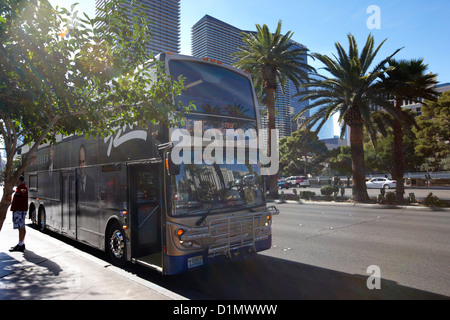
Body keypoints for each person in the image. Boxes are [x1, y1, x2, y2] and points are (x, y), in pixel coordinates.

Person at [9, 176, 28, 252]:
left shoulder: (22, 188)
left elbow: (23, 194)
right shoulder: (19, 188)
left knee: (21, 227)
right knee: (21, 227)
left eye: (17, 180)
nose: (16, 182)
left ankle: (20, 245)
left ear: (20, 181)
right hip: (18, 210)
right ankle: (21, 243)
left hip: (20, 210)